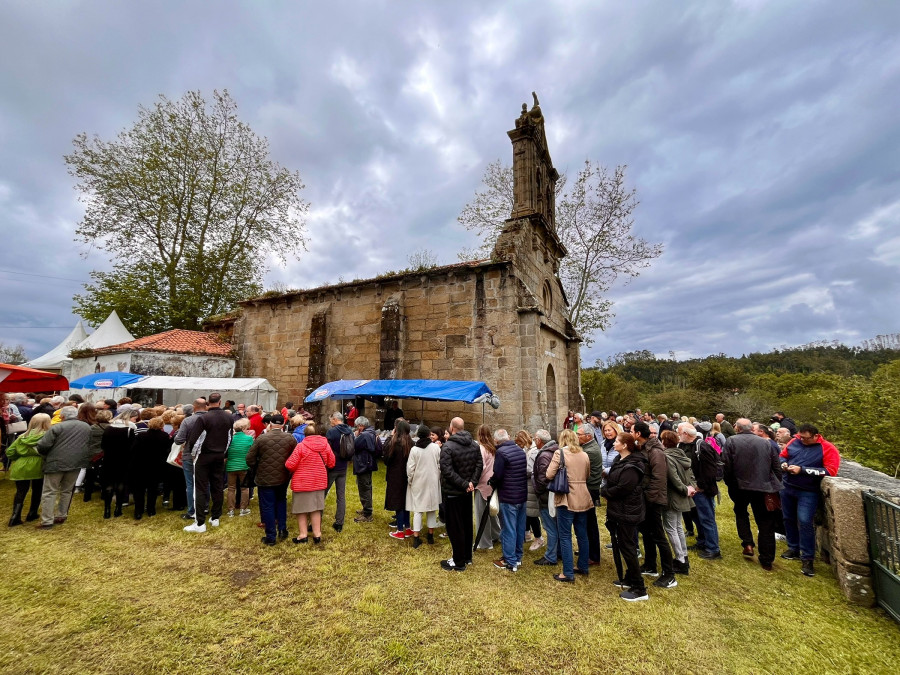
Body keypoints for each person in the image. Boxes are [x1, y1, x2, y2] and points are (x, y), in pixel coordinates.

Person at [722, 419, 783, 571]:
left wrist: (730, 483)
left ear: (738, 428)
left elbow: (726, 465)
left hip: (741, 486)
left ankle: (748, 543)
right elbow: (776, 466)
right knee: (765, 522)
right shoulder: (766, 443)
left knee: (742, 513)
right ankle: (766, 559)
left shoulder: (731, 441)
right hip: (762, 486)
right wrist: (774, 483)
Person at [779, 423, 840, 577]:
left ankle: (807, 558)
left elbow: (831, 471)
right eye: (801, 437)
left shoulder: (827, 448)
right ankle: (793, 547)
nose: (802, 441)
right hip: (788, 486)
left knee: (805, 521)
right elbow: (783, 455)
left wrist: (803, 470)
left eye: (806, 438)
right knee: (788, 518)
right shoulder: (795, 441)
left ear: (815, 436)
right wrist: (783, 464)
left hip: (808, 491)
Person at [602, 432, 649, 601]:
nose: (614, 443)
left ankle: (639, 588)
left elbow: (624, 488)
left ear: (625, 445)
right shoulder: (621, 461)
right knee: (624, 546)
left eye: (616, 441)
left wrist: (605, 492)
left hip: (628, 511)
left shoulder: (633, 465)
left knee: (629, 548)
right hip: (620, 510)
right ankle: (630, 577)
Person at [545, 429, 593, 583]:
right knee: (582, 533)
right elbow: (587, 474)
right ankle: (583, 566)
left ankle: (567, 572)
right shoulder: (584, 454)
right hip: (583, 495)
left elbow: (548, 474)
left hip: (566, 496)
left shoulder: (560, 453)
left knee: (565, 535)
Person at [632, 421, 677, 589]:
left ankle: (669, 574)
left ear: (638, 434)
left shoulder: (655, 451)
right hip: (644, 498)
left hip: (653, 499)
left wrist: (649, 498)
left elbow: (659, 477)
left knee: (659, 535)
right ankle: (650, 564)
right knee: (647, 533)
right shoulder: (643, 448)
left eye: (631, 431)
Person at [35, 405, 92, 529]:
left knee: (50, 491)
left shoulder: (57, 427)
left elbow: (43, 445)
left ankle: (47, 520)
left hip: (56, 462)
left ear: (62, 416)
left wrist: (44, 454)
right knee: (67, 490)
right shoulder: (86, 427)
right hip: (76, 462)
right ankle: (61, 514)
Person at [184, 392, 233, 533]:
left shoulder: (204, 418)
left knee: (199, 488)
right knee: (217, 486)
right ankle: (215, 517)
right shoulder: (228, 417)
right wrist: (224, 453)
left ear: (207, 404)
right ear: (220, 402)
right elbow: (230, 437)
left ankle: (200, 523)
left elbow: (194, 439)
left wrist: (194, 455)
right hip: (219, 455)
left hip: (204, 456)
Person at [438, 417, 482, 572]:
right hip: (465, 490)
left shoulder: (448, 447)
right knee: (466, 524)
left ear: (452, 428)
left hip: (454, 492)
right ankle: (466, 556)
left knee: (455, 527)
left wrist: (469, 483)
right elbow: (478, 465)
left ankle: (459, 561)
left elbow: (447, 471)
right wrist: (470, 483)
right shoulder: (473, 445)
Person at [246, 415, 296, 546]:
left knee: (268, 505)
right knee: (281, 501)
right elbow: (294, 456)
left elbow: (250, 458)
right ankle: (282, 529)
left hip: (265, 477)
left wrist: (257, 467)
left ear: (271, 424)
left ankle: (271, 536)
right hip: (283, 476)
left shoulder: (262, 438)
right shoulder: (290, 438)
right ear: (283, 423)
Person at [285, 421, 335, 544]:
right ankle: (317, 534)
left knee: (301, 510)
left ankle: (303, 535)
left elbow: (290, 464)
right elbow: (331, 463)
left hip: (303, 482)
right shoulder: (326, 445)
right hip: (319, 481)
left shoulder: (301, 446)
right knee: (316, 509)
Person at [678, 422, 721, 560]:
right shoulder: (684, 445)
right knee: (696, 517)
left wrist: (700, 486)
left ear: (685, 434)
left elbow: (710, 470)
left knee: (707, 518)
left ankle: (713, 549)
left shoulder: (702, 447)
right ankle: (702, 542)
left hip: (702, 490)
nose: (678, 435)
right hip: (691, 489)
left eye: (679, 432)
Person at [490, 428, 528, 572]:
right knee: (519, 528)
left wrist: (491, 482)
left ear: (496, 441)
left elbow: (497, 475)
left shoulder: (501, 453)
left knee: (508, 529)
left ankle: (509, 560)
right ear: (508, 437)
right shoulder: (520, 450)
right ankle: (517, 557)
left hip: (508, 496)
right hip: (521, 495)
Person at [660, 429, 695, 575]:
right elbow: (689, 475)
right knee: (677, 526)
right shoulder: (681, 455)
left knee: (671, 528)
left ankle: (680, 560)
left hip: (673, 497)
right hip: (681, 496)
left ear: (664, 442)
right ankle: (683, 556)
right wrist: (690, 487)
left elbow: (674, 479)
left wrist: (685, 489)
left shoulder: (667, 457)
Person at [6, 413, 51, 526]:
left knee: (20, 492)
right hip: (38, 465)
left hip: (21, 465)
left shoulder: (22, 437)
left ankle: (15, 516)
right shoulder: (47, 436)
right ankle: (32, 513)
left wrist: (20, 457)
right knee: (37, 490)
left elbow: (9, 452)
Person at [406, 425, 442, 548]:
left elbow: (410, 468)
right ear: (428, 435)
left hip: (418, 481)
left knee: (418, 509)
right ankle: (430, 535)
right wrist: (437, 476)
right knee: (431, 508)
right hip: (432, 481)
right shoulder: (436, 448)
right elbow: (439, 464)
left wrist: (410, 480)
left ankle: (416, 537)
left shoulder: (414, 450)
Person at [129, 415, 170, 519]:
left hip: (140, 465)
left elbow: (133, 450)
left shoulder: (141, 436)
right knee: (152, 489)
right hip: (156, 466)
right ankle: (151, 509)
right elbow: (166, 452)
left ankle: (138, 510)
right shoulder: (164, 436)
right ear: (162, 425)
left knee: (139, 489)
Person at [531, 430, 560, 567]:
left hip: (546, 497)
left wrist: (537, 490)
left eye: (535, 439)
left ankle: (550, 556)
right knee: (555, 526)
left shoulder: (543, 455)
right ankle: (557, 552)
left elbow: (543, 480)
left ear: (539, 440)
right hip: (553, 495)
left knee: (550, 527)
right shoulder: (555, 449)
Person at [174, 400, 206, 522]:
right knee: (205, 483)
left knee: (190, 484)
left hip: (190, 455)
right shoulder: (211, 419)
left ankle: (192, 510)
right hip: (207, 455)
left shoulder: (188, 420)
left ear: (194, 407)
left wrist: (177, 436)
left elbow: (179, 440)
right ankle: (205, 507)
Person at [576, 426, 604, 566]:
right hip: (588, 487)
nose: (577, 436)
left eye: (579, 434)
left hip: (589, 489)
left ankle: (593, 555)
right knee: (586, 522)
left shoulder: (590, 451)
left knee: (590, 523)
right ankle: (586, 549)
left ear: (588, 436)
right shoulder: (588, 447)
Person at [324, 412, 353, 533]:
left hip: (332, 466)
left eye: (331, 420)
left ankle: (315, 521)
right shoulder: (350, 431)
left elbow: (326, 449)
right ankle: (339, 522)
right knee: (341, 496)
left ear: (335, 420)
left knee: (322, 493)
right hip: (343, 466)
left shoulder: (332, 432)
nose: (331, 422)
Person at [473, 424, 500, 550]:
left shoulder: (481, 449)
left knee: (482, 514)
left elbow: (480, 467)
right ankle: (496, 534)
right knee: (492, 512)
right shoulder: (493, 448)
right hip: (492, 483)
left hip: (483, 484)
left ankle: (484, 543)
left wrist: (473, 481)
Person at [384, 419, 412, 539]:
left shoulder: (394, 443)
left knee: (398, 503)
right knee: (406, 501)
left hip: (395, 476)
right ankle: (408, 527)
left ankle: (400, 530)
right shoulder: (411, 443)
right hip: (407, 476)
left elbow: (386, 458)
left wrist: (390, 437)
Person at [518, 430, 544, 551]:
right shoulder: (528, 450)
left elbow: (530, 469)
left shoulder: (533, 452)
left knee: (532, 513)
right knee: (527, 510)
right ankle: (527, 533)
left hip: (532, 484)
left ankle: (539, 537)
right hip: (527, 484)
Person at [352, 416, 380, 523]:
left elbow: (354, 445)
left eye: (358, 426)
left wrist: (355, 436)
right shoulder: (371, 432)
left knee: (364, 488)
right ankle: (366, 509)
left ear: (361, 425)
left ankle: (367, 513)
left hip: (363, 464)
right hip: (368, 463)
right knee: (367, 487)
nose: (357, 428)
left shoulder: (364, 435)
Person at [226, 418, 254, 517]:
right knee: (244, 488)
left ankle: (230, 510)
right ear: (244, 428)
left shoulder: (230, 439)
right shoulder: (249, 439)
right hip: (244, 466)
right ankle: (243, 509)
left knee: (231, 488)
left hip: (231, 466)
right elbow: (252, 452)